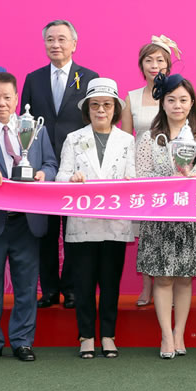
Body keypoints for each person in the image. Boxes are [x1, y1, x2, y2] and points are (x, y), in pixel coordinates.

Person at [0, 72, 57, 363]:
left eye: (7, 97)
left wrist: (44, 174)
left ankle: (22, 341)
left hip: (27, 222)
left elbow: (51, 164)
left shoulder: (36, 129)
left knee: (26, 286)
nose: (1, 103)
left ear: (16, 99)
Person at [20, 19, 100, 310]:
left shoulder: (89, 78)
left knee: (74, 232)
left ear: (74, 44)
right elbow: (24, 125)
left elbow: (96, 123)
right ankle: (50, 290)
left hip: (77, 168)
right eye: (50, 39)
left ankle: (72, 288)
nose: (55, 44)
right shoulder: (33, 79)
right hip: (43, 168)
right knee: (45, 233)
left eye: (61, 39)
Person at [135, 75, 196, 359]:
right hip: (159, 218)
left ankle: (179, 332)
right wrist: (169, 178)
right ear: (163, 103)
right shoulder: (149, 139)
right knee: (163, 279)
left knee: (184, 278)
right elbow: (141, 178)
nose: (177, 105)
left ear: (191, 103)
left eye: (183, 100)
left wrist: (190, 177)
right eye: (171, 100)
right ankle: (166, 336)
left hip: (190, 218)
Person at [56, 78, 136, 359]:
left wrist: (129, 182)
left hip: (115, 223)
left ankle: (108, 336)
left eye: (107, 105)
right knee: (84, 283)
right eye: (95, 105)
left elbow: (133, 177)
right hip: (83, 223)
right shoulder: (74, 139)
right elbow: (60, 176)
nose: (101, 110)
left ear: (115, 109)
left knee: (111, 283)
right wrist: (71, 179)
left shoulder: (127, 140)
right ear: (87, 109)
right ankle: (86, 336)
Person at [120, 34, 178, 307]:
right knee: (145, 229)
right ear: (141, 65)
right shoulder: (131, 97)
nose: (155, 65)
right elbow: (125, 139)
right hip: (142, 170)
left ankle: (169, 285)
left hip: (172, 170)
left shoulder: (176, 95)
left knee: (171, 228)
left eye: (160, 60)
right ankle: (147, 286)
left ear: (168, 65)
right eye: (149, 60)